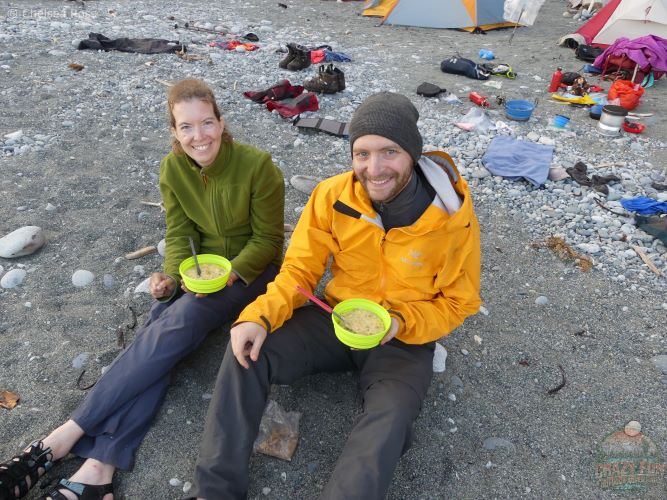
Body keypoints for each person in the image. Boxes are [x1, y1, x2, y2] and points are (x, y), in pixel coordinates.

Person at [0, 79, 285, 500]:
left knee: (175, 323)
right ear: (174, 131)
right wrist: (170, 276)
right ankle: (99, 469)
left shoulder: (258, 166)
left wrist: (228, 276)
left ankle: (61, 438)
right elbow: (179, 229)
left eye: (207, 123)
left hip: (250, 272)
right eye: (186, 127)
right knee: (161, 322)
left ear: (222, 123)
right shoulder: (172, 169)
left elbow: (268, 241)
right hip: (197, 270)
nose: (198, 136)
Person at [188, 92, 481, 499]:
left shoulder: (452, 217)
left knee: (391, 417)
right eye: (362, 153)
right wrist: (258, 316)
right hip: (337, 318)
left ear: (411, 154)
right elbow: (300, 270)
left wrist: (402, 323)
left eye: (389, 152)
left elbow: (458, 301)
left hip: (403, 335)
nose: (373, 169)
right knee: (246, 350)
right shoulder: (332, 195)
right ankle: (215, 490)